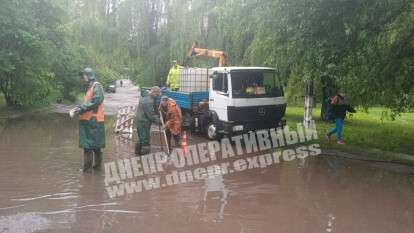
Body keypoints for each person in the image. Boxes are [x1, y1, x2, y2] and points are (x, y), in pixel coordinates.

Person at [69, 68, 105, 172]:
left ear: (89, 75)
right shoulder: (91, 87)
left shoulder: (96, 86)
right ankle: (97, 169)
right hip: (92, 120)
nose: (83, 77)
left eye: (84, 75)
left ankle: (88, 170)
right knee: (96, 146)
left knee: (88, 146)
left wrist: (81, 108)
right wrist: (79, 108)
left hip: (92, 120)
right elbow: (90, 102)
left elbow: (96, 101)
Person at [134, 86, 162, 155]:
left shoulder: (145, 95)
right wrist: (159, 121)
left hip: (139, 120)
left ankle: (137, 153)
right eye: (156, 95)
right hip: (143, 122)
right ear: (153, 92)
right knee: (145, 140)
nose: (156, 96)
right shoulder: (148, 101)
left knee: (141, 138)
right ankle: (145, 157)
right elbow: (151, 115)